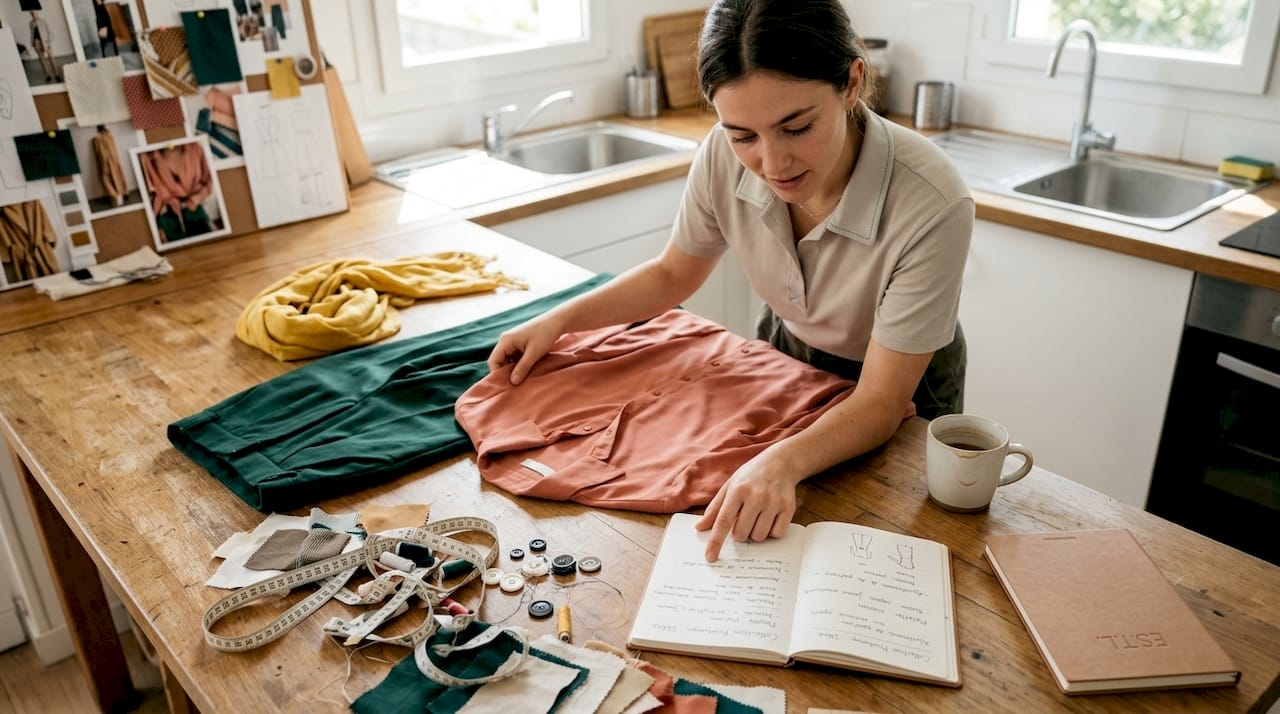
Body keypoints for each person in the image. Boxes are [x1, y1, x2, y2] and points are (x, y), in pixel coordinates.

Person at [486, 0, 973, 561]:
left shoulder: (932, 199)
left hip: (900, 385)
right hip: (789, 352)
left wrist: (780, 460)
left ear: (851, 83)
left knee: (889, 549)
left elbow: (882, 402)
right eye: (743, 135)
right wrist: (561, 321)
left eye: (797, 127)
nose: (772, 163)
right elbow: (673, 273)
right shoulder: (721, 154)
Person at [28, 11, 61, 83]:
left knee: (51, 58)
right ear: (31, 14)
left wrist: (49, 42)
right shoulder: (31, 23)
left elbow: (50, 32)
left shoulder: (43, 21)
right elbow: (32, 34)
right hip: (37, 42)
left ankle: (57, 74)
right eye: (32, 13)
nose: (33, 14)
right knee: (42, 60)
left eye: (35, 13)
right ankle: (48, 75)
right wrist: (32, 43)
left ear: (37, 13)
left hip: (45, 42)